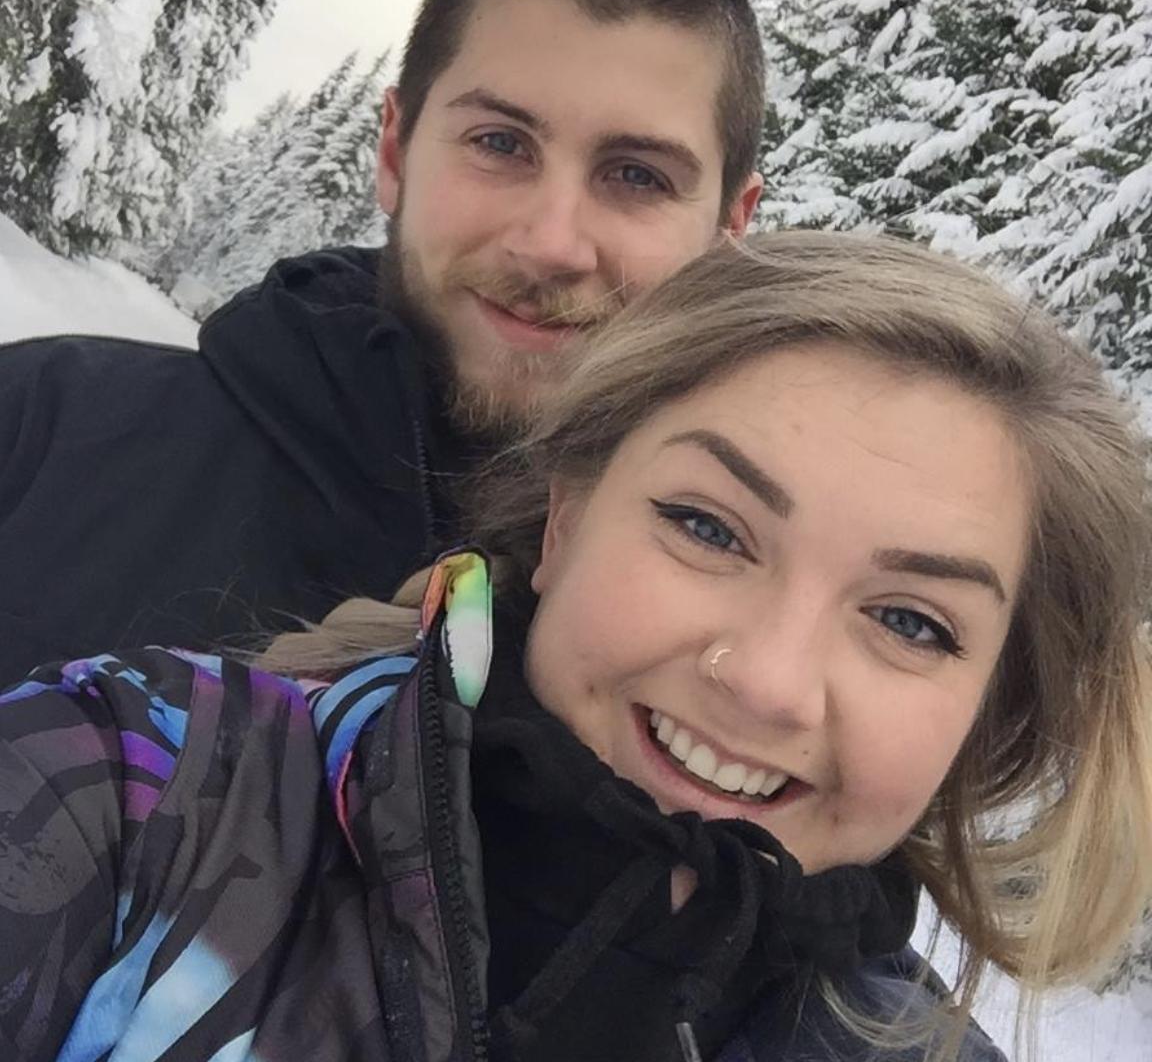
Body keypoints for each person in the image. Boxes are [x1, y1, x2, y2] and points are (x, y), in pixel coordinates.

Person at [4, 233, 1150, 1062]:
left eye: (910, 622)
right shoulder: (139, 792)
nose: (766, 681)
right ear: (565, 521)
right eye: (708, 528)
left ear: (989, 710)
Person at [0, 0, 764, 685]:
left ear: (728, 233)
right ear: (395, 153)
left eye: (637, 176)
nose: (551, 244)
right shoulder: (40, 431)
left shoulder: (728, 676)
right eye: (499, 143)